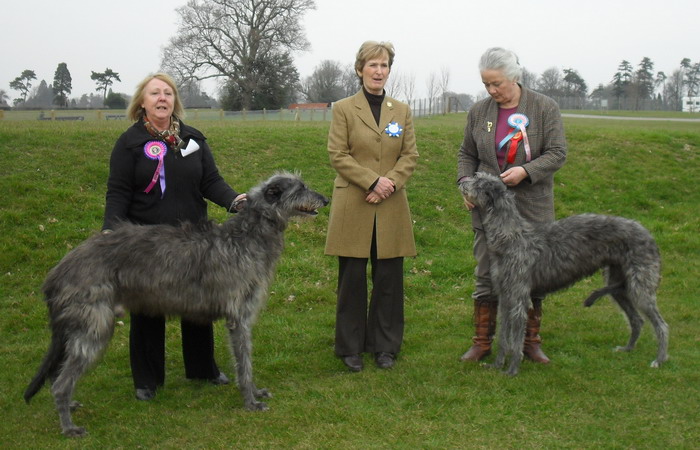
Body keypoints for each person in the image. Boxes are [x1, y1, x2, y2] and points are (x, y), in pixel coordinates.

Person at [102, 73, 247, 400]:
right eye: (155, 93)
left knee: (199, 305)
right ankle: (147, 380)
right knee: (148, 309)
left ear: (174, 100)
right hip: (148, 242)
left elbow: (211, 181)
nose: (162, 98)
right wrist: (111, 229)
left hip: (194, 240)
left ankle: (202, 368)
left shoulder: (194, 139)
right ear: (143, 101)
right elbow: (118, 192)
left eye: (168, 93)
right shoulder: (130, 144)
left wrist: (235, 200)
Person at [457, 47, 567, 363]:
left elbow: (557, 152)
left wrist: (526, 171)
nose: (492, 91)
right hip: (490, 214)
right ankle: (482, 342)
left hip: (532, 210)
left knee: (534, 275)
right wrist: (466, 184)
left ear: (514, 77)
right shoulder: (478, 112)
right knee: (487, 275)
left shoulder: (545, 108)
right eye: (486, 85)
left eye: (497, 84)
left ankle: (530, 342)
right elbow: (466, 154)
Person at [325, 41, 419, 372]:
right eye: (373, 65)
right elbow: (338, 154)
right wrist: (371, 181)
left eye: (384, 65)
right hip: (355, 201)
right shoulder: (344, 109)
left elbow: (410, 155)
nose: (379, 71)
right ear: (360, 69)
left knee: (389, 279)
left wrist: (389, 182)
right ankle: (350, 347)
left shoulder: (402, 111)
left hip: (390, 203)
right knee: (352, 278)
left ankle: (385, 346)